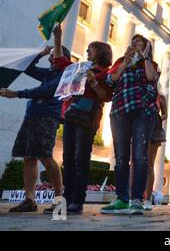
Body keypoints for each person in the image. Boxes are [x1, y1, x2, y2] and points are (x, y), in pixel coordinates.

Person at [0, 26, 70, 214]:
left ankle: (59, 201)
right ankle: (29, 199)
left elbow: (46, 91)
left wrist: (17, 94)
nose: (50, 59)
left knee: (45, 157)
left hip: (47, 117)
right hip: (32, 116)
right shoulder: (48, 73)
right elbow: (27, 67)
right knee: (29, 157)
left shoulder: (65, 74)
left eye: (53, 56)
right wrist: (39, 53)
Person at [53, 29, 113, 214]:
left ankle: (77, 201)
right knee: (68, 158)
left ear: (101, 53)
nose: (87, 51)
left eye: (91, 49)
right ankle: (65, 201)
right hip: (71, 115)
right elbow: (61, 63)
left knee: (81, 158)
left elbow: (107, 96)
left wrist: (93, 82)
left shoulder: (104, 73)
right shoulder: (80, 67)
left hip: (88, 118)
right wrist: (58, 38)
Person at [101, 34, 159, 215]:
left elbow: (152, 77)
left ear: (146, 46)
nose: (134, 43)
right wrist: (125, 62)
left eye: (138, 41)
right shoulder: (120, 61)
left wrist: (146, 57)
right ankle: (122, 199)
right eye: (132, 41)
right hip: (119, 110)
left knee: (140, 157)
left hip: (142, 110)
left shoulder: (149, 63)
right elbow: (111, 80)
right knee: (120, 156)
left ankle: (136, 200)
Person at [143, 92, 167, 211]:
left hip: (153, 130)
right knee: (135, 163)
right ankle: (133, 197)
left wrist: (155, 118)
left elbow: (165, 114)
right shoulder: (141, 90)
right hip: (140, 126)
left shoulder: (160, 96)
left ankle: (147, 199)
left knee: (149, 165)